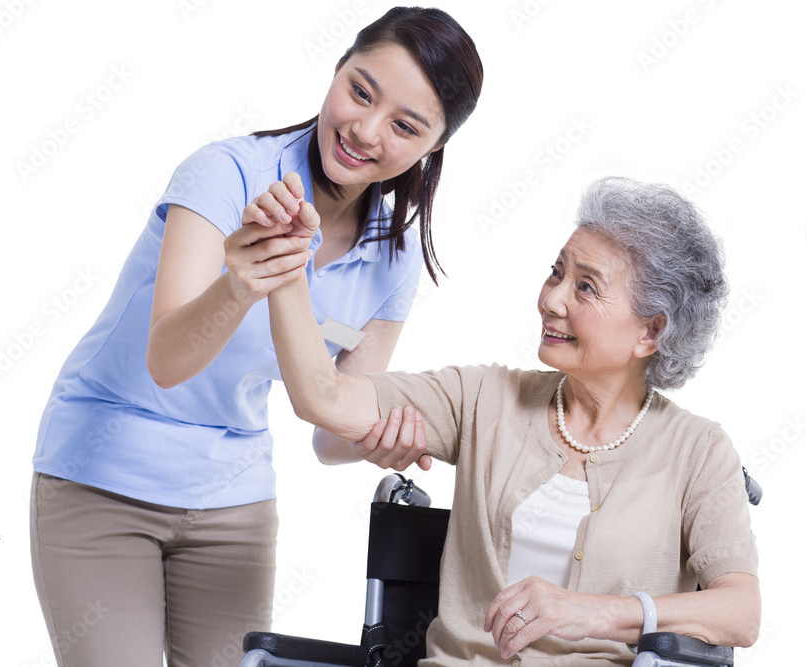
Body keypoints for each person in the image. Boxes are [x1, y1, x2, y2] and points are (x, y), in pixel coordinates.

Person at [29, 7, 483, 667]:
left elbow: (330, 428)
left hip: (231, 502)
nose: (363, 128)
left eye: (404, 125)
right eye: (360, 90)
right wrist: (240, 282)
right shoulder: (225, 174)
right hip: (101, 476)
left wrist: (378, 439)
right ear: (336, 71)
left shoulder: (396, 254)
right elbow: (166, 359)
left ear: (432, 147)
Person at [256, 175, 761, 664]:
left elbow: (741, 612)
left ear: (649, 333)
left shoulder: (699, 451)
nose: (552, 299)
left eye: (585, 288)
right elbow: (325, 399)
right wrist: (284, 269)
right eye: (556, 272)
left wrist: (596, 614)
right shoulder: (485, 398)